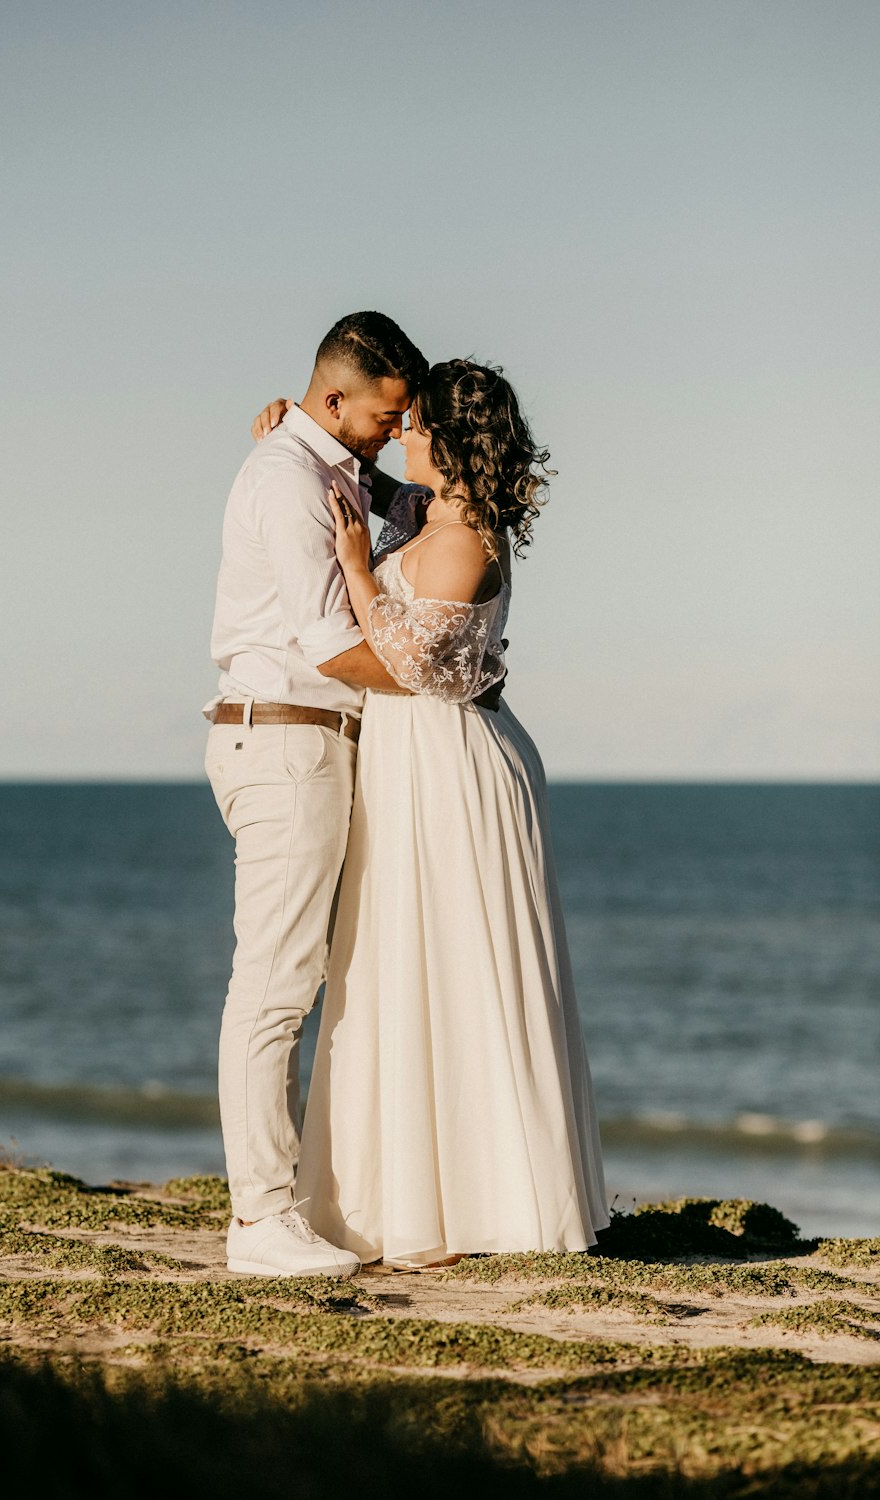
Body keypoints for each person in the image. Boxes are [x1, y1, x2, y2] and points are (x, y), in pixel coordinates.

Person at [281, 359, 611, 1267]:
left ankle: (485, 1207)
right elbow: (365, 476)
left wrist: (354, 571)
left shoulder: (466, 533)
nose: (402, 434)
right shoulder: (432, 512)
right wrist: (291, 429)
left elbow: (414, 661)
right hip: (414, 758)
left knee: (460, 964)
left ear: (456, 443)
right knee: (403, 963)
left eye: (418, 424)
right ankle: (405, 1198)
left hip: (454, 761)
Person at [204, 310, 427, 1278]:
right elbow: (330, 643)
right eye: (384, 415)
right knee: (275, 985)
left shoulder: (325, 461)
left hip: (312, 743)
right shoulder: (290, 478)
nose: (392, 428)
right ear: (334, 400)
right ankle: (257, 1222)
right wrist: (440, 676)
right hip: (287, 741)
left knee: (304, 982)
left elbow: (422, 516)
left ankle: (297, 1200)